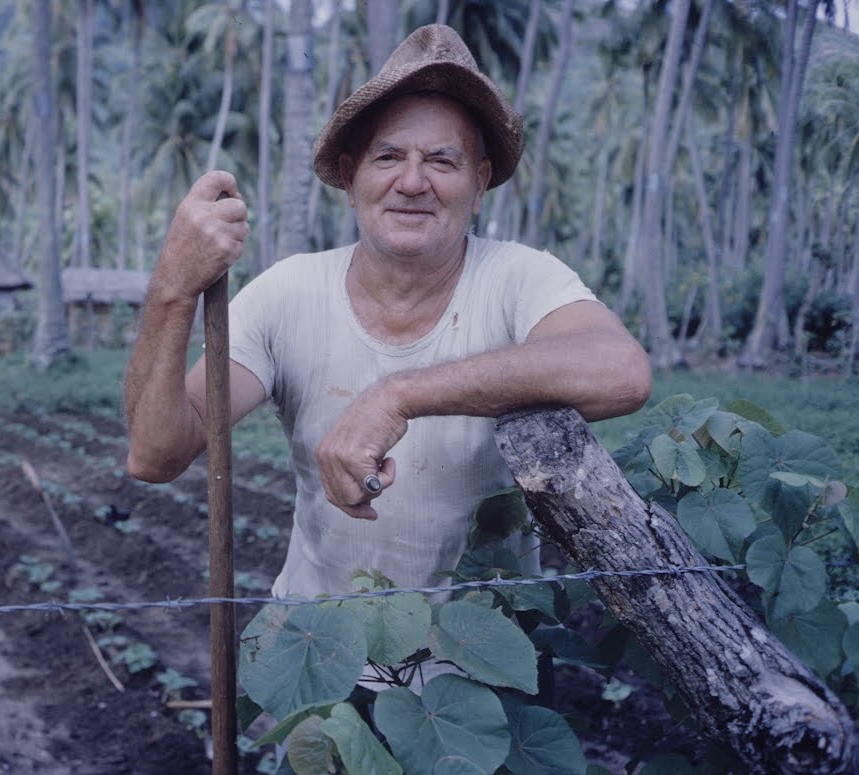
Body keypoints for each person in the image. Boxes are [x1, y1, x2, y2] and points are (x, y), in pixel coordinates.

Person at [124, 24, 651, 600]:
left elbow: (620, 374)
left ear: (479, 186)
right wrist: (174, 287)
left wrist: (395, 396)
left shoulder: (519, 279)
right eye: (389, 156)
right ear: (351, 179)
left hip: (484, 668)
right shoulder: (289, 293)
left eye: (443, 162)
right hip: (317, 652)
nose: (412, 181)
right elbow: (156, 453)